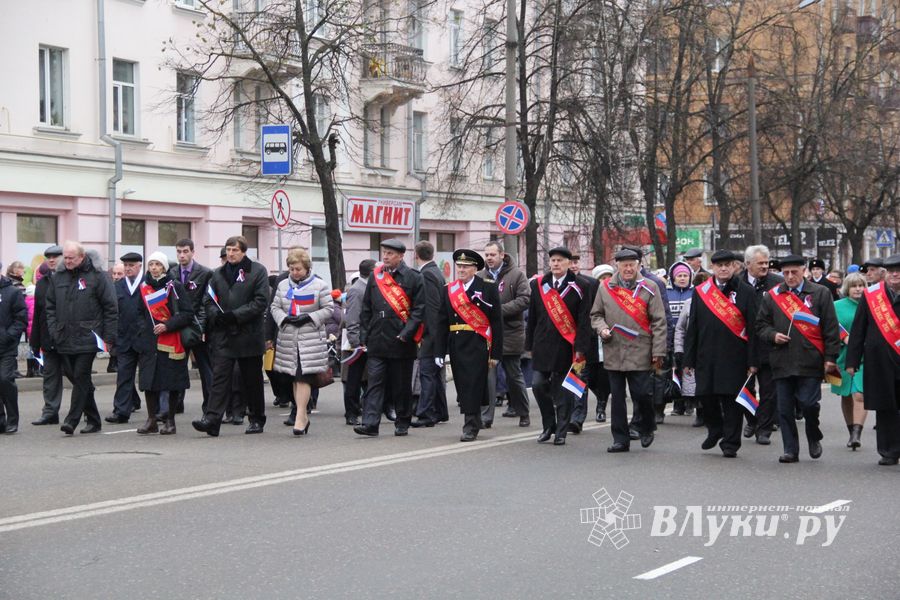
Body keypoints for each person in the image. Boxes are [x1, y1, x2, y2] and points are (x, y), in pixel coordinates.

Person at [756, 254, 840, 463]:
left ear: (804, 271)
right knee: (784, 409)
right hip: (782, 359)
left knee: (809, 404)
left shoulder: (820, 293)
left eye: (794, 272)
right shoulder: (772, 296)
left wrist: (830, 357)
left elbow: (830, 327)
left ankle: (813, 435)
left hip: (810, 359)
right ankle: (790, 450)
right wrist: (773, 335)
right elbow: (760, 325)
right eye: (785, 273)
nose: (790, 277)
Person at [193, 235, 270, 437]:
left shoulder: (257, 271)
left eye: (235, 250)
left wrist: (235, 316)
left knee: (251, 380)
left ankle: (256, 418)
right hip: (224, 335)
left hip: (248, 335)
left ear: (244, 251)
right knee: (220, 378)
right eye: (228, 249)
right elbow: (208, 299)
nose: (231, 253)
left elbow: (260, 301)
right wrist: (216, 316)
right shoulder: (217, 274)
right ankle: (212, 419)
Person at [683, 250, 758, 458]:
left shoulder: (746, 291)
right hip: (706, 354)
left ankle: (731, 442)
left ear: (734, 266)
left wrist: (753, 360)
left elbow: (753, 328)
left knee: (732, 401)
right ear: (713, 268)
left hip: (735, 356)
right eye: (719, 265)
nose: (723, 268)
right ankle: (715, 429)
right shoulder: (701, 291)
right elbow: (693, 327)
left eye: (727, 264)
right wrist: (688, 358)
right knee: (705, 397)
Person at [591, 248, 667, 452]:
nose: (628, 269)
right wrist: (602, 328)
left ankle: (647, 426)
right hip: (614, 348)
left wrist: (658, 352)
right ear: (617, 266)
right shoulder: (605, 288)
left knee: (642, 394)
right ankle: (620, 439)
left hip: (641, 349)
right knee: (617, 398)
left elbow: (659, 322)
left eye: (632, 265)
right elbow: (596, 315)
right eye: (624, 265)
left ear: (638, 266)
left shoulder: (650, 287)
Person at [354, 239, 425, 437]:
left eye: (390, 254)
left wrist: (407, 333)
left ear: (401, 256)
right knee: (374, 383)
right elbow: (366, 307)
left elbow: (419, 310)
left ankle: (402, 421)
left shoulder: (413, 278)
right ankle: (370, 423)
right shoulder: (375, 277)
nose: (385, 257)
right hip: (377, 338)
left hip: (401, 340)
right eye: (384, 253)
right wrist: (363, 334)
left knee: (401, 385)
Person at [46, 241, 117, 435]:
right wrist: (53, 330)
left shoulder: (97, 276)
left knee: (80, 375)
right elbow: (50, 306)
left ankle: (72, 420)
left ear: (81, 257)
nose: (67, 261)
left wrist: (109, 337)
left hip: (89, 336)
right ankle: (94, 420)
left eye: (71, 258)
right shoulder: (58, 277)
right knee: (78, 379)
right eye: (65, 257)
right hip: (63, 336)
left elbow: (110, 308)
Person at [526, 246, 592, 446]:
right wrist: (529, 344)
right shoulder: (540, 284)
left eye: (559, 261)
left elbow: (584, 320)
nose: (555, 264)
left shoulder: (581, 285)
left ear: (568, 263)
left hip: (567, 346)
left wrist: (581, 347)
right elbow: (533, 317)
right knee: (537, 385)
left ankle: (561, 430)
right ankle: (549, 425)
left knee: (564, 390)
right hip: (543, 344)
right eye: (553, 260)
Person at [434, 249, 502, 441]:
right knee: (464, 385)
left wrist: (496, 352)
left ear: (475, 269)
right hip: (457, 343)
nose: (461, 270)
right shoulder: (449, 289)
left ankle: (470, 425)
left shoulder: (487, 287)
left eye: (466, 267)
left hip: (479, 343)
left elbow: (496, 322)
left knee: (473, 383)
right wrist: (439, 350)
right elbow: (441, 321)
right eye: (459, 266)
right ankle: (475, 417)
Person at [270, 248, 333, 436]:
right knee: (294, 378)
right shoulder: (282, 286)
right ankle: (303, 415)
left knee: (302, 377)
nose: (295, 272)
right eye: (291, 269)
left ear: (306, 268)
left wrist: (309, 317)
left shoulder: (319, 285)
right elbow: (274, 306)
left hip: (310, 339)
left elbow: (329, 309)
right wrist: (284, 319)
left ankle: (300, 415)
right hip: (289, 338)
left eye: (298, 269)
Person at [846, 255, 900, 466]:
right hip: (880, 362)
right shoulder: (872, 296)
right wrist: (852, 360)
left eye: (899, 270)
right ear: (885, 274)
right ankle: (888, 451)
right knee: (885, 406)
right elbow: (858, 329)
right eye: (891, 270)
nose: (895, 274)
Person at [134, 252, 193, 435]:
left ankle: (170, 421)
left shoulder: (174, 286)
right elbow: (138, 313)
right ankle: (151, 419)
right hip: (149, 342)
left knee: (171, 382)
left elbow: (187, 313)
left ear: (164, 267)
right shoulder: (143, 288)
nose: (153, 268)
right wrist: (143, 331)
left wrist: (167, 325)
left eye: (157, 264)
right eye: (151, 264)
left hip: (170, 339)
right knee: (149, 382)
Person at [479, 240, 531, 427]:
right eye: (487, 255)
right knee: (488, 377)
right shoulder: (481, 275)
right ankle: (486, 417)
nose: (489, 258)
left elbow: (525, 299)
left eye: (492, 255)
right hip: (488, 336)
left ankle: (523, 412)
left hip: (511, 333)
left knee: (513, 376)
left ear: (502, 255)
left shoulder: (517, 275)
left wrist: (499, 310)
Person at [740, 245, 783, 445]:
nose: (765, 267)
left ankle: (764, 429)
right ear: (748, 264)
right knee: (745, 388)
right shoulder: (736, 283)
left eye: (767, 263)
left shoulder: (777, 283)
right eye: (760, 263)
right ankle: (752, 419)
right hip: (743, 344)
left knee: (769, 390)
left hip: (768, 344)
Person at [167, 238, 213, 414]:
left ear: (193, 252)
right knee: (178, 366)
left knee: (205, 368)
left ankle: (209, 405)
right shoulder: (171, 273)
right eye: (179, 252)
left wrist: (200, 327)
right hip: (179, 326)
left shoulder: (205, 273)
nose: (182, 255)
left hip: (197, 327)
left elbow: (205, 303)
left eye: (185, 251)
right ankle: (177, 403)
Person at [412, 240, 448, 428]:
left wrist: (432, 335)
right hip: (436, 333)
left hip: (431, 334)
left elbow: (432, 308)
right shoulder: (435, 272)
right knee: (434, 374)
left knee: (427, 373)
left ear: (416, 255)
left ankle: (426, 414)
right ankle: (440, 411)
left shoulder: (426, 274)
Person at [106, 252, 146, 424]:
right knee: (123, 375)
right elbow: (112, 312)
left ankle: (159, 410)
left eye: (132, 265)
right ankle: (121, 411)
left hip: (144, 339)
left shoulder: (147, 285)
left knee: (149, 376)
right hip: (124, 339)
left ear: (139, 266)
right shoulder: (118, 286)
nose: (128, 268)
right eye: (126, 266)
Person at [832, 272, 867, 450]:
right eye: (854, 286)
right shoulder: (837, 306)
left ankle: (857, 433)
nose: (858, 289)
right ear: (848, 288)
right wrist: (844, 338)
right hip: (843, 355)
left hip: (866, 356)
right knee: (845, 394)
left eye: (861, 285)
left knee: (860, 393)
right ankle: (850, 429)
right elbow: (830, 326)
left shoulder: (871, 305)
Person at [30, 246, 64, 425]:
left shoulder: (70, 279)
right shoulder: (42, 283)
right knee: (50, 377)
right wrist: (34, 341)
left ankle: (87, 409)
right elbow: (38, 314)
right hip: (48, 339)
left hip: (68, 339)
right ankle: (50, 412)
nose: (52, 260)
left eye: (55, 256)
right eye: (48, 257)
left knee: (78, 377)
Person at [568, 254, 600, 434]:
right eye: (570, 262)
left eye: (575, 262)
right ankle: (566, 415)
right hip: (561, 340)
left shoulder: (590, 284)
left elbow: (596, 312)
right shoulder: (553, 284)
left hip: (583, 339)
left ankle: (577, 417)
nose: (573, 265)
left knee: (580, 376)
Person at [342, 260, 376, 425]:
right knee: (354, 379)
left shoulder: (369, 288)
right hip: (359, 342)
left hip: (371, 340)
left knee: (370, 378)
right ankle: (351, 412)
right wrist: (356, 343)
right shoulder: (357, 290)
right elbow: (352, 318)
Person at [0, 267, 27, 433]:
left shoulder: (12, 292)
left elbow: (20, 318)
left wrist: (8, 336)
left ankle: (12, 419)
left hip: (6, 347)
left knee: (4, 379)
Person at [666, 260, 694, 416]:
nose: (682, 278)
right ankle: (678, 404)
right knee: (674, 372)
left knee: (688, 372)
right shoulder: (667, 293)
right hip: (670, 338)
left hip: (688, 340)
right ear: (673, 278)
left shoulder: (695, 293)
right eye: (679, 276)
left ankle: (690, 402)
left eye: (685, 275)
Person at [588, 264, 614, 422]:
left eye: (608, 277)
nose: (605, 281)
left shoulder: (617, 294)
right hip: (592, 342)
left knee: (605, 378)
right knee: (590, 378)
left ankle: (601, 406)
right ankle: (600, 397)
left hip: (609, 343)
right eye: (602, 278)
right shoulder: (590, 295)